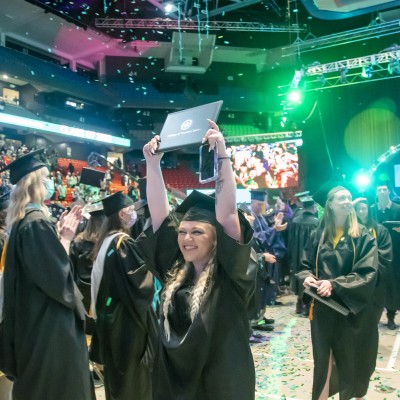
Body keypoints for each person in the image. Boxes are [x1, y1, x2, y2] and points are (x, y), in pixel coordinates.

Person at [138, 120, 256, 400]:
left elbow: (227, 215)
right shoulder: (176, 269)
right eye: (183, 232)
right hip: (176, 384)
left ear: (216, 238)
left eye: (197, 232)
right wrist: (152, 166)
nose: (186, 238)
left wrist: (223, 155)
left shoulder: (231, 276)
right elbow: (159, 216)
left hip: (220, 384)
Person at [0, 149, 93, 400]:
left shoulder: (20, 221)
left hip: (32, 325)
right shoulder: (36, 222)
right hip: (49, 330)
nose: (49, 183)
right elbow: (57, 280)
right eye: (45, 179)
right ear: (36, 185)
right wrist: (64, 239)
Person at [297, 185, 378, 400]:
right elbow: (304, 265)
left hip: (350, 309)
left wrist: (335, 284)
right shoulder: (318, 235)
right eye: (342, 198)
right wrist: (305, 277)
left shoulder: (363, 236)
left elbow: (367, 273)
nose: (347, 201)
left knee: (351, 360)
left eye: (349, 198)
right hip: (322, 307)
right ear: (330, 205)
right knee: (322, 360)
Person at [90, 191, 158, 400]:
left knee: (118, 381)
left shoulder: (106, 242)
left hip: (110, 323)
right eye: (130, 210)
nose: (133, 214)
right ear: (121, 214)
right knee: (132, 383)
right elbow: (142, 287)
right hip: (126, 327)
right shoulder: (122, 244)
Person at [353, 197, 392, 324]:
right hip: (356, 275)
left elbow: (385, 253)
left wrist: (368, 263)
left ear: (369, 210)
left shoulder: (380, 230)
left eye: (363, 209)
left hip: (374, 275)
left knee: (373, 311)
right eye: (358, 209)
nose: (361, 212)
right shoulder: (351, 230)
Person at [70, 206, 106, 335]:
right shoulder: (107, 244)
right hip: (101, 293)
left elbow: (70, 271)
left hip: (80, 294)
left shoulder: (76, 242)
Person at [370, 183, 400, 329]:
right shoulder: (371, 210)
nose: (382, 192)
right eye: (379, 190)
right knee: (376, 283)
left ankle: (391, 316)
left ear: (389, 192)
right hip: (375, 252)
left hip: (395, 252)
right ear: (376, 193)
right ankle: (374, 315)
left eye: (384, 190)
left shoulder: (397, 209)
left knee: (393, 284)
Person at [288, 195, 319, 315]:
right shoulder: (316, 222)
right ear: (313, 207)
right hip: (309, 255)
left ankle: (299, 304)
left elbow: (290, 240)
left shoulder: (295, 221)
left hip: (296, 255)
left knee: (299, 276)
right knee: (309, 276)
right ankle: (307, 307)